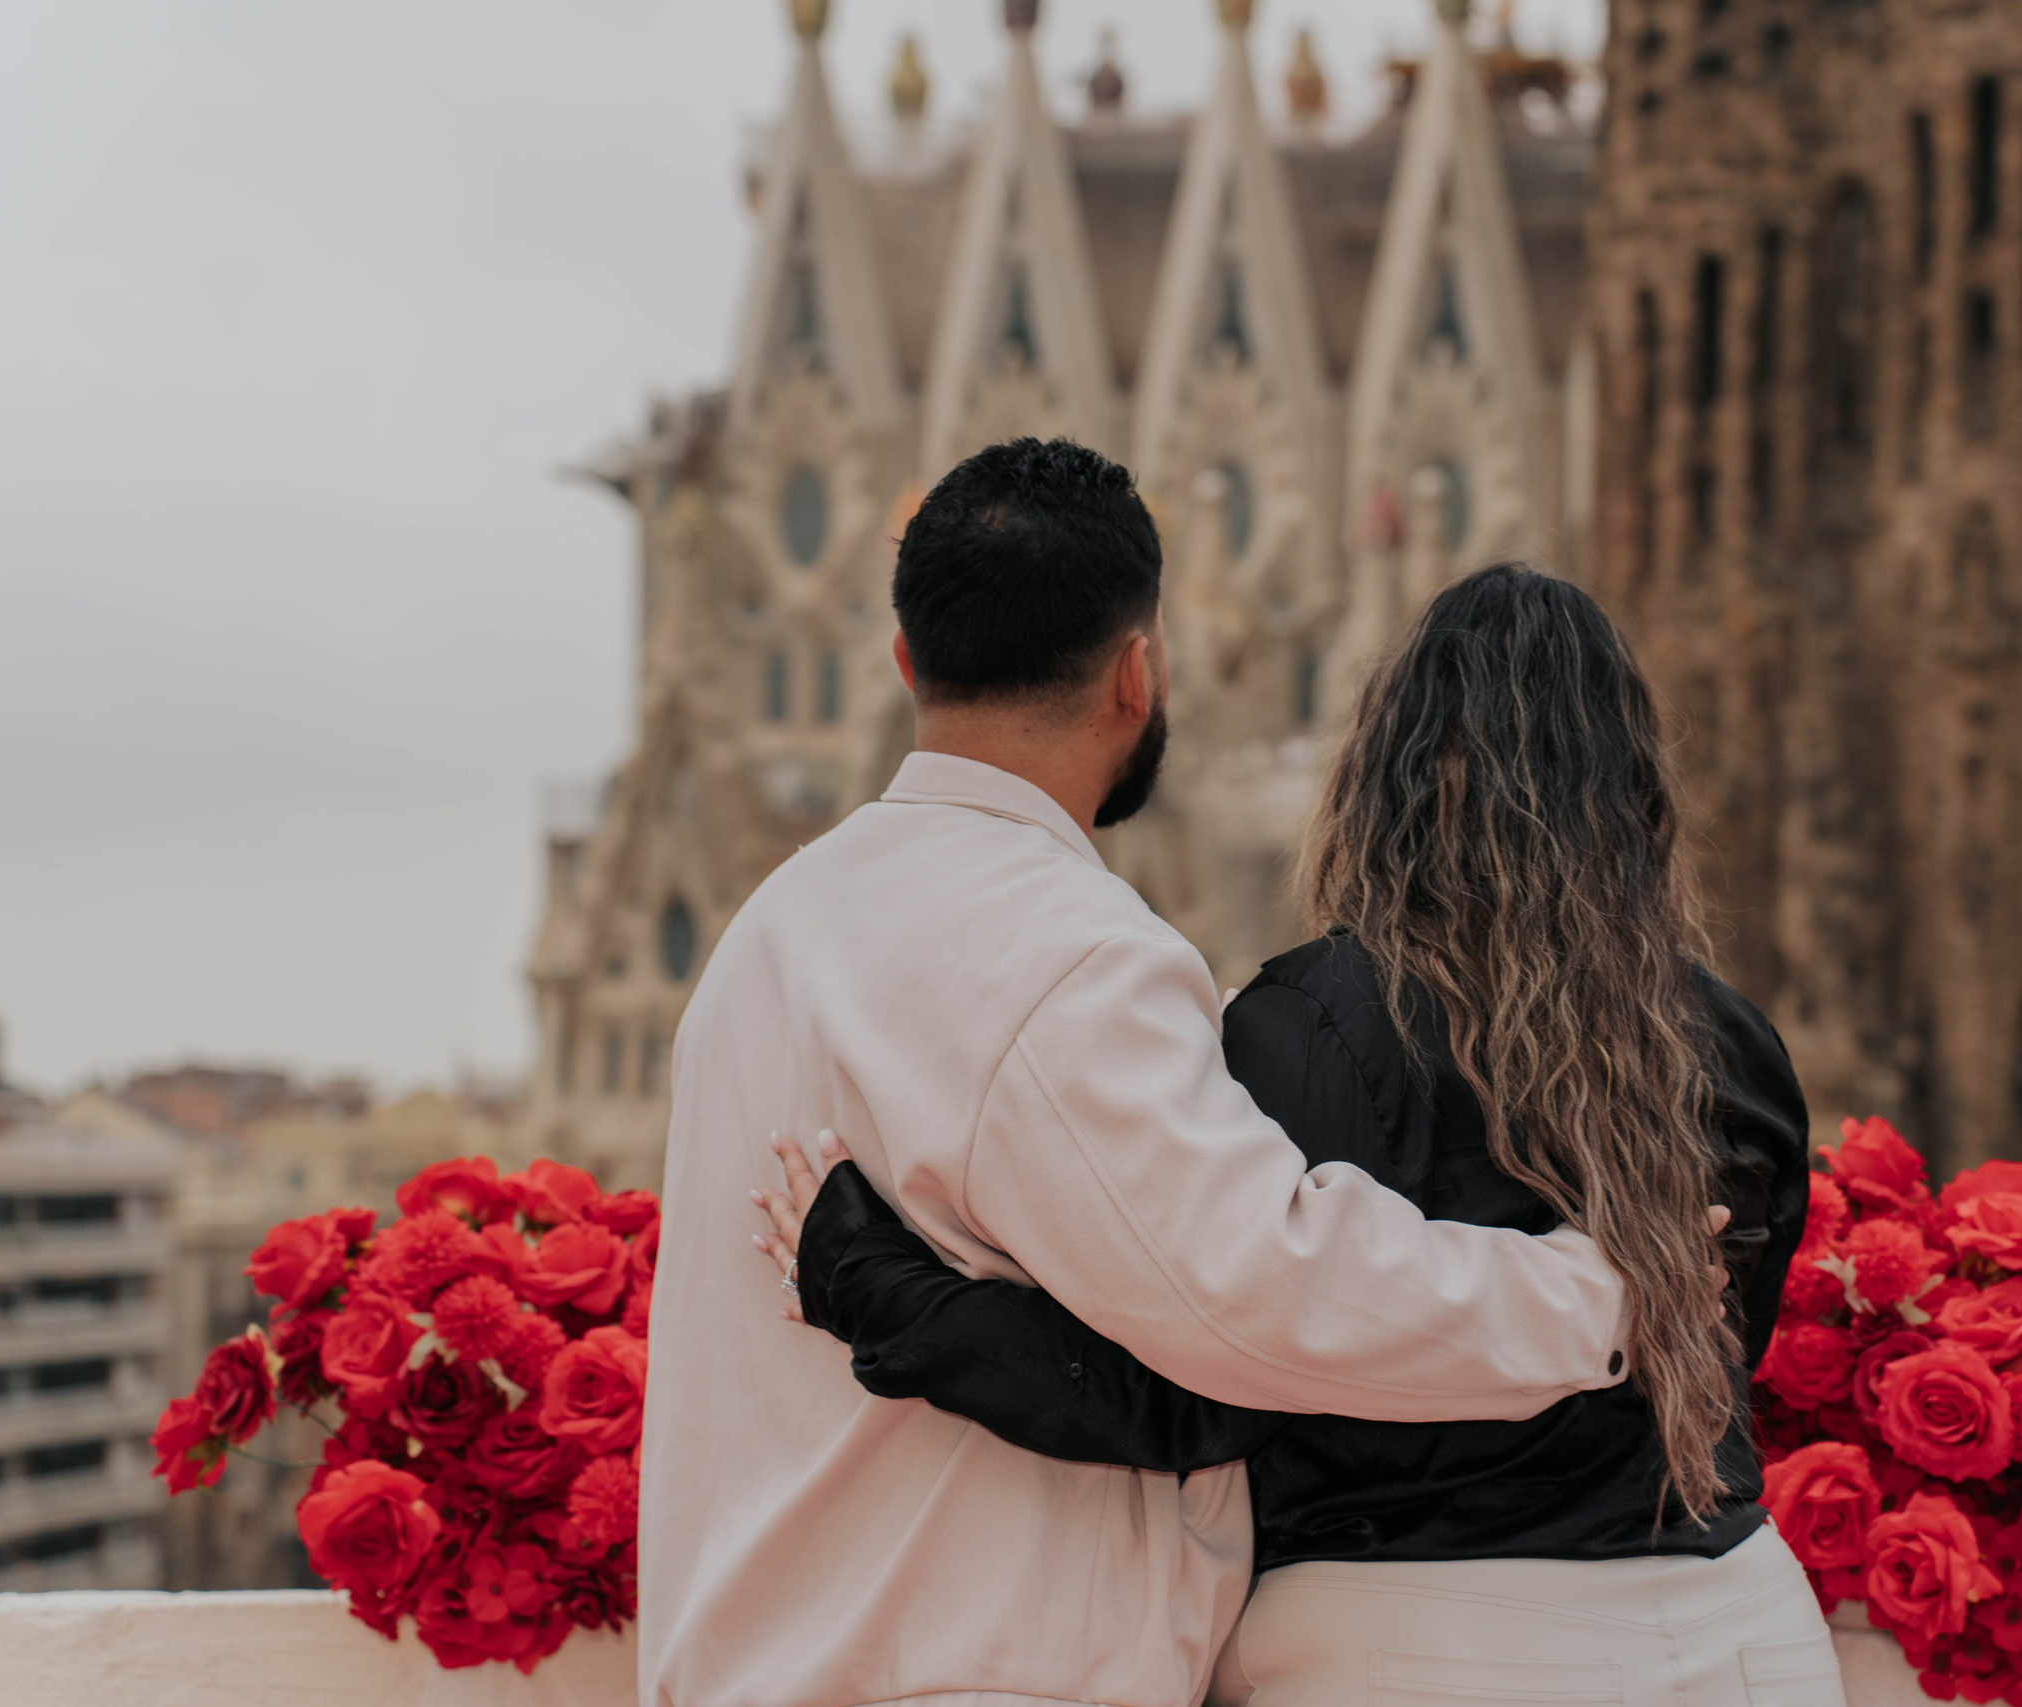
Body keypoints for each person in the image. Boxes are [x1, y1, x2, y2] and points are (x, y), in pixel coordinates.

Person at [640, 441, 1644, 1707]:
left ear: (906, 664)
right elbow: (1257, 1294)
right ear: (1138, 671)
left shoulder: (769, 932)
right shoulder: (1065, 950)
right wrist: (1604, 1300)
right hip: (967, 1675)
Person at [754, 566, 1840, 1705]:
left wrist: (879, 1289)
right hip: (1746, 1633)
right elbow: (1720, 1346)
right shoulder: (1732, 1046)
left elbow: (1193, 1388)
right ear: (1636, 792)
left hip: (1414, 1644)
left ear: (1387, 780)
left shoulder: (1312, 1026)